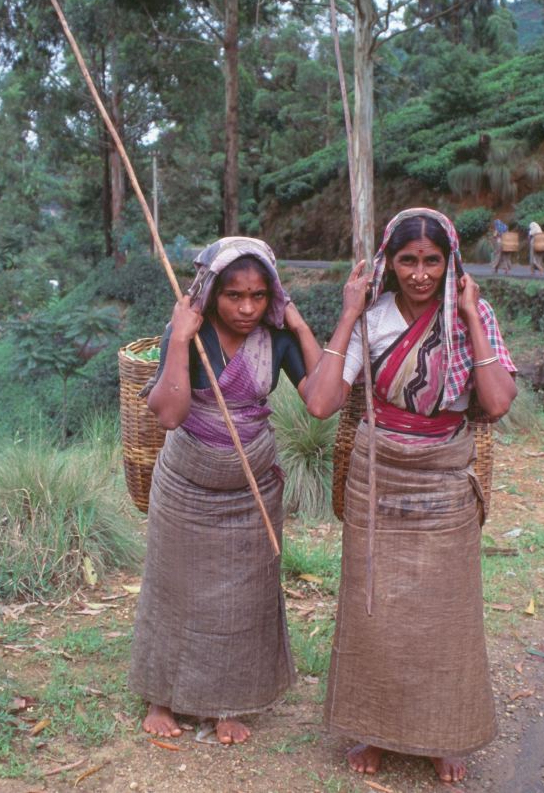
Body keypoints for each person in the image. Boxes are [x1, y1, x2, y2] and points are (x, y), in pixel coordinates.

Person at [304, 208, 517, 783]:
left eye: (431, 261)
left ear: (450, 262)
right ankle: (373, 731)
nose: (420, 274)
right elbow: (321, 403)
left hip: (445, 477)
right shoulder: (371, 319)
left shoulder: (475, 316)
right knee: (375, 611)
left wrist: (470, 314)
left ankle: (443, 734)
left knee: (445, 618)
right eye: (407, 261)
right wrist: (349, 314)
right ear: (388, 263)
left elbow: (496, 403)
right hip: (380, 476)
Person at [129, 237, 320, 746]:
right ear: (212, 292)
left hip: (251, 483)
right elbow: (169, 414)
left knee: (244, 594)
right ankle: (162, 696)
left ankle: (228, 701)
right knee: (176, 587)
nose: (247, 307)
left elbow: (322, 399)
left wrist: (299, 326)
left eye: (259, 295)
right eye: (234, 295)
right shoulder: (188, 333)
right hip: (187, 482)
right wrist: (176, 340)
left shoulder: (277, 335)